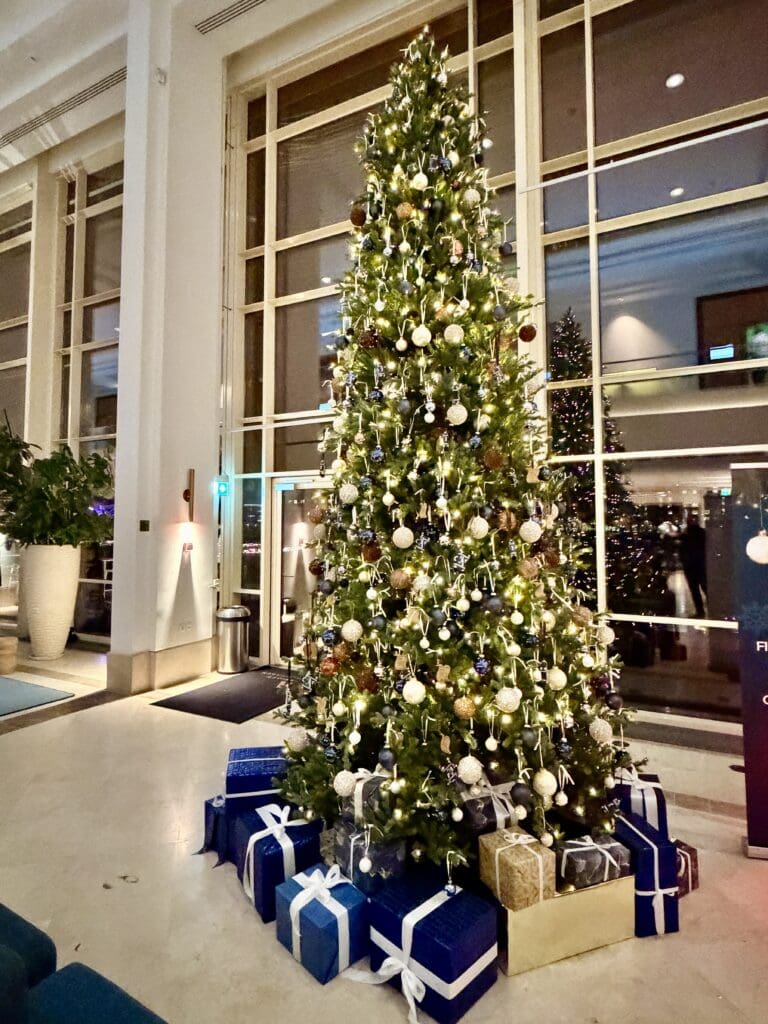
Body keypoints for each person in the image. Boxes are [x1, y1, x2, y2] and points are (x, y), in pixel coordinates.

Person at [679, 513, 707, 617]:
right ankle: (713, 609)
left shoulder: (685, 535)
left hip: (690, 566)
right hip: (700, 565)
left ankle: (700, 611)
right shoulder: (703, 533)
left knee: (695, 590)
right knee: (705, 587)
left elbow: (682, 550)